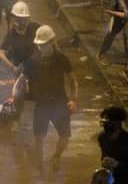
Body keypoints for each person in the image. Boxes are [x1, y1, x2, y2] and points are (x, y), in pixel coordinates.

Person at [23, 25, 78, 172]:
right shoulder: (32, 61)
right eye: (39, 45)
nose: (41, 48)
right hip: (41, 104)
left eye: (44, 45)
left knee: (65, 135)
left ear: (52, 42)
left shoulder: (62, 59)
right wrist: (16, 96)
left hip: (60, 102)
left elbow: (73, 80)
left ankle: (56, 156)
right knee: (39, 137)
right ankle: (39, 166)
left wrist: (73, 100)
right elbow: (22, 80)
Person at [98, 107, 128, 184]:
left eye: (108, 122)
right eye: (104, 122)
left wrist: (118, 164)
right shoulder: (103, 138)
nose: (105, 126)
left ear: (117, 123)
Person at [0, 1, 41, 75]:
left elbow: (47, 45)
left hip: (37, 68)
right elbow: (1, 53)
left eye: (23, 19)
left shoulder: (36, 28)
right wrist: (12, 67)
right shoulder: (12, 33)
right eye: (19, 19)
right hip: (20, 71)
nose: (21, 22)